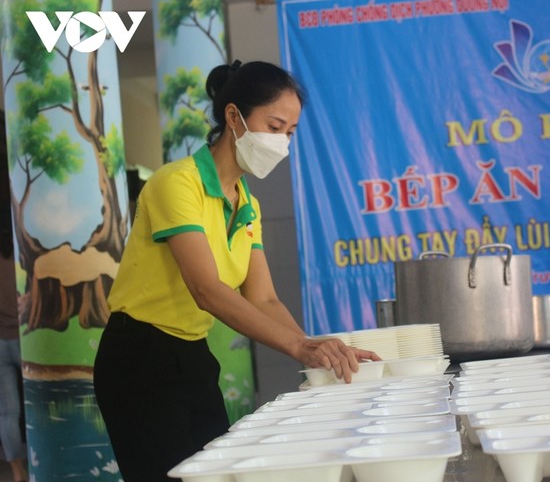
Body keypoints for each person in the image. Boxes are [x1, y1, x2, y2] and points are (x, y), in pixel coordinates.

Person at [93, 60, 379, 482]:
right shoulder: (177, 183)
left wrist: (315, 346)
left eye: (290, 133)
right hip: (139, 357)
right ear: (234, 117)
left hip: (191, 354)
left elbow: (262, 298)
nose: (281, 141)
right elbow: (206, 289)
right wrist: (298, 349)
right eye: (275, 125)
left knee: (217, 474)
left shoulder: (247, 203)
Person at [0, 215, 28, 482]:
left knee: (8, 412)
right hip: (25, 340)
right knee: (35, 403)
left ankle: (17, 472)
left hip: (0, 344)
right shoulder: (20, 259)